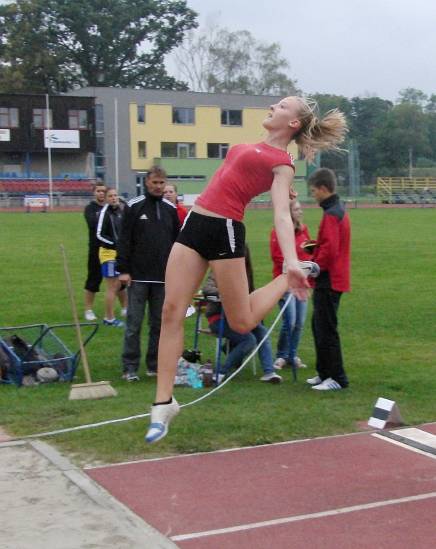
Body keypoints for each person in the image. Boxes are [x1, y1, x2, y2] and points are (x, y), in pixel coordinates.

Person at [146, 95, 348, 443]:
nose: (273, 107)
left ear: (293, 123)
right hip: (196, 222)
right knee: (170, 310)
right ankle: (163, 403)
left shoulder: (283, 162)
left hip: (224, 229)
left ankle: (285, 280)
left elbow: (281, 213)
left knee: (241, 322)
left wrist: (291, 260)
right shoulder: (248, 146)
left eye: (282, 106)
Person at [117, 166, 180, 381]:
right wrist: (124, 270)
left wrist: (177, 271)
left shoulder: (170, 209)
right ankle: (130, 367)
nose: (158, 187)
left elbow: (177, 242)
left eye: (162, 183)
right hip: (138, 277)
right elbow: (124, 239)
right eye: (155, 182)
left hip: (162, 278)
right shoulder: (134, 206)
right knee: (133, 324)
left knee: (158, 325)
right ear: (147, 182)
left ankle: (154, 365)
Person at [202, 245, 282, 383]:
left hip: (240, 317)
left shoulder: (246, 273)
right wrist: (227, 292)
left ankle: (269, 372)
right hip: (219, 318)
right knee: (249, 340)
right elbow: (207, 289)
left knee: (262, 331)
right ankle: (221, 372)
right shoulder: (219, 268)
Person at [306, 168, 351, 391]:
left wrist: (313, 267)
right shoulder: (335, 210)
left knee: (326, 329)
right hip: (330, 278)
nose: (313, 195)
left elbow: (330, 251)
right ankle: (324, 373)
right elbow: (328, 245)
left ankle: (337, 378)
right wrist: (315, 248)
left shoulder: (332, 213)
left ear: (324, 189)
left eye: (314, 190)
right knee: (318, 326)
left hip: (330, 280)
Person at [270, 199, 313, 372]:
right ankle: (281, 354)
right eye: (296, 209)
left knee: (300, 322)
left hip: (302, 281)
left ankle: (292, 354)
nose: (300, 212)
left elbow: (310, 250)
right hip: (285, 281)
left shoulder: (304, 229)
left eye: (300, 209)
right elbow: (277, 256)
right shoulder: (277, 231)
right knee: (290, 320)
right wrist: (294, 267)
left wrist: (306, 266)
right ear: (288, 213)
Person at [96, 188, 127, 327]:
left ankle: (125, 309)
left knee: (121, 284)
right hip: (108, 254)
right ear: (106, 198)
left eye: (115, 195)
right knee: (112, 287)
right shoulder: (104, 213)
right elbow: (99, 235)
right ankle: (109, 318)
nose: (114, 198)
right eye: (110, 196)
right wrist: (115, 243)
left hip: (120, 253)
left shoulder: (121, 211)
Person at [83, 182, 106, 321]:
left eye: (103, 191)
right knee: (93, 279)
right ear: (94, 193)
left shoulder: (112, 207)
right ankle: (88, 310)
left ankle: (125, 307)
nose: (101, 193)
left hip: (112, 249)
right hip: (96, 249)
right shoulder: (90, 209)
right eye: (98, 191)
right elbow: (93, 224)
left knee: (118, 281)